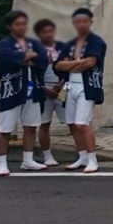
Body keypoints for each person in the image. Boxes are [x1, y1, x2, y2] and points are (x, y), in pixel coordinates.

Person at [0, 11, 49, 176]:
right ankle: (2, 163)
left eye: (24, 23)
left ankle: (28, 160)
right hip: (11, 90)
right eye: (17, 24)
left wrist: (27, 58)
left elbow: (43, 59)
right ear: (9, 26)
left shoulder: (34, 43)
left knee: (31, 126)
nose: (22, 27)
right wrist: (28, 58)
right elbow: (9, 58)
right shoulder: (2, 44)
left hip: (32, 89)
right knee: (5, 129)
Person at [54, 8, 107, 174]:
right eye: (78, 21)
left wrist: (71, 63)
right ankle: (82, 156)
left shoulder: (97, 42)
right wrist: (76, 63)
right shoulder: (70, 44)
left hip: (87, 86)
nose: (81, 24)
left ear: (90, 23)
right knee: (71, 124)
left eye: (85, 21)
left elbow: (89, 63)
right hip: (71, 86)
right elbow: (57, 65)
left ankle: (93, 159)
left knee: (82, 123)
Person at [34, 19, 65, 167]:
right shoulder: (35, 50)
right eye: (44, 32)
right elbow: (32, 72)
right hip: (43, 89)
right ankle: (47, 155)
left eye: (50, 31)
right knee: (44, 124)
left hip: (62, 88)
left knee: (74, 123)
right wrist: (44, 88)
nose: (48, 34)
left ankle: (83, 154)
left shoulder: (62, 47)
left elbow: (68, 67)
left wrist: (61, 84)